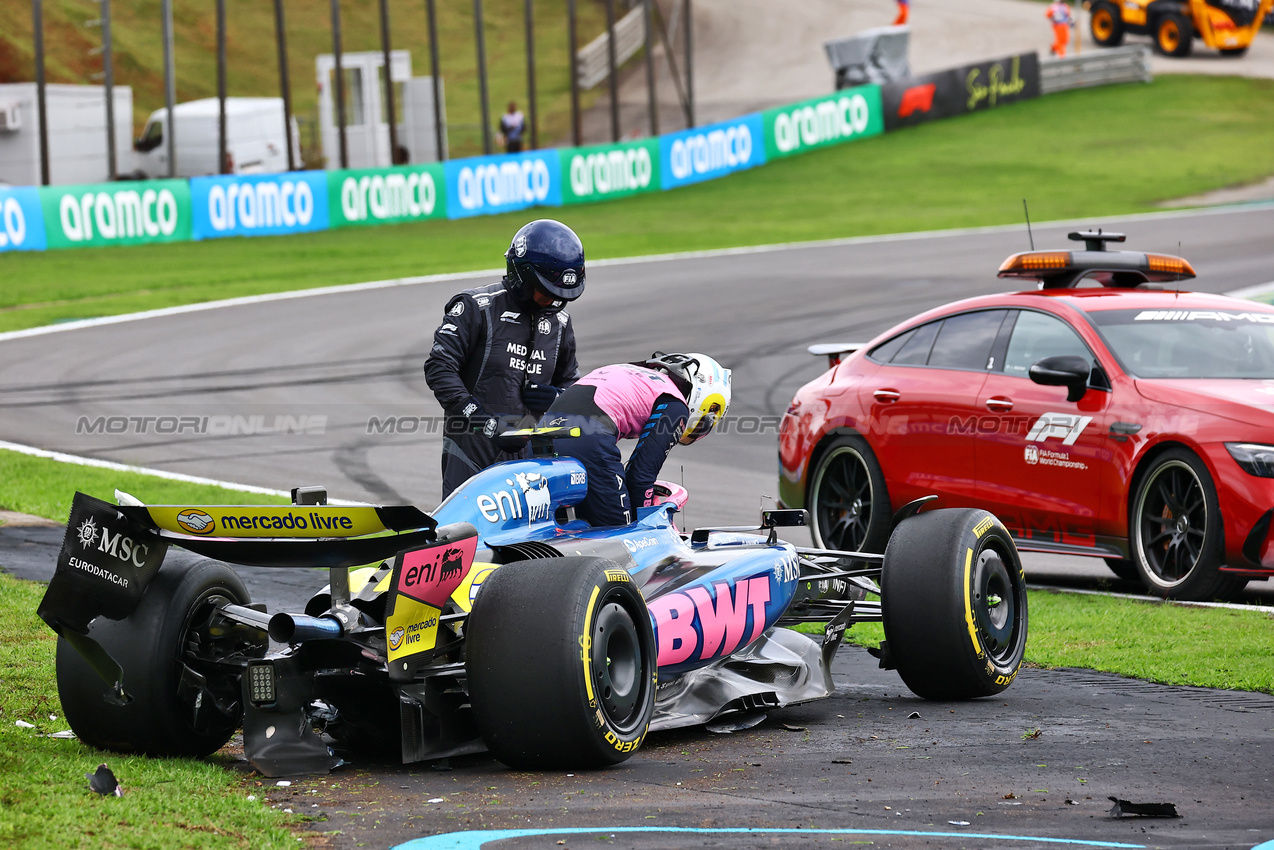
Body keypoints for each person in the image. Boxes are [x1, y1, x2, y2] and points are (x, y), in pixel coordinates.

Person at [424, 219, 585, 498]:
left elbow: (572, 385)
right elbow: (439, 368)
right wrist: (485, 423)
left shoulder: (560, 322)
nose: (553, 301)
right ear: (522, 276)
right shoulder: (475, 307)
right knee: (465, 525)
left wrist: (557, 398)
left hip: (535, 462)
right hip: (472, 453)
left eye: (561, 295)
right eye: (546, 292)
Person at [538, 352, 731, 527]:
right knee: (619, 534)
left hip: (541, 436)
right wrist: (644, 526)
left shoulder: (634, 371)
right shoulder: (675, 403)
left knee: (552, 532)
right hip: (587, 441)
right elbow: (640, 476)